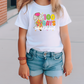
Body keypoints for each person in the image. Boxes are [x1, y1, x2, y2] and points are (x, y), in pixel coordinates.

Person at [15, 0, 73, 84]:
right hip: (34, 58)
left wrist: (68, 60)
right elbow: (21, 37)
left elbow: (65, 36)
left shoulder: (59, 9)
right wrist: (22, 63)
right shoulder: (27, 9)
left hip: (55, 59)